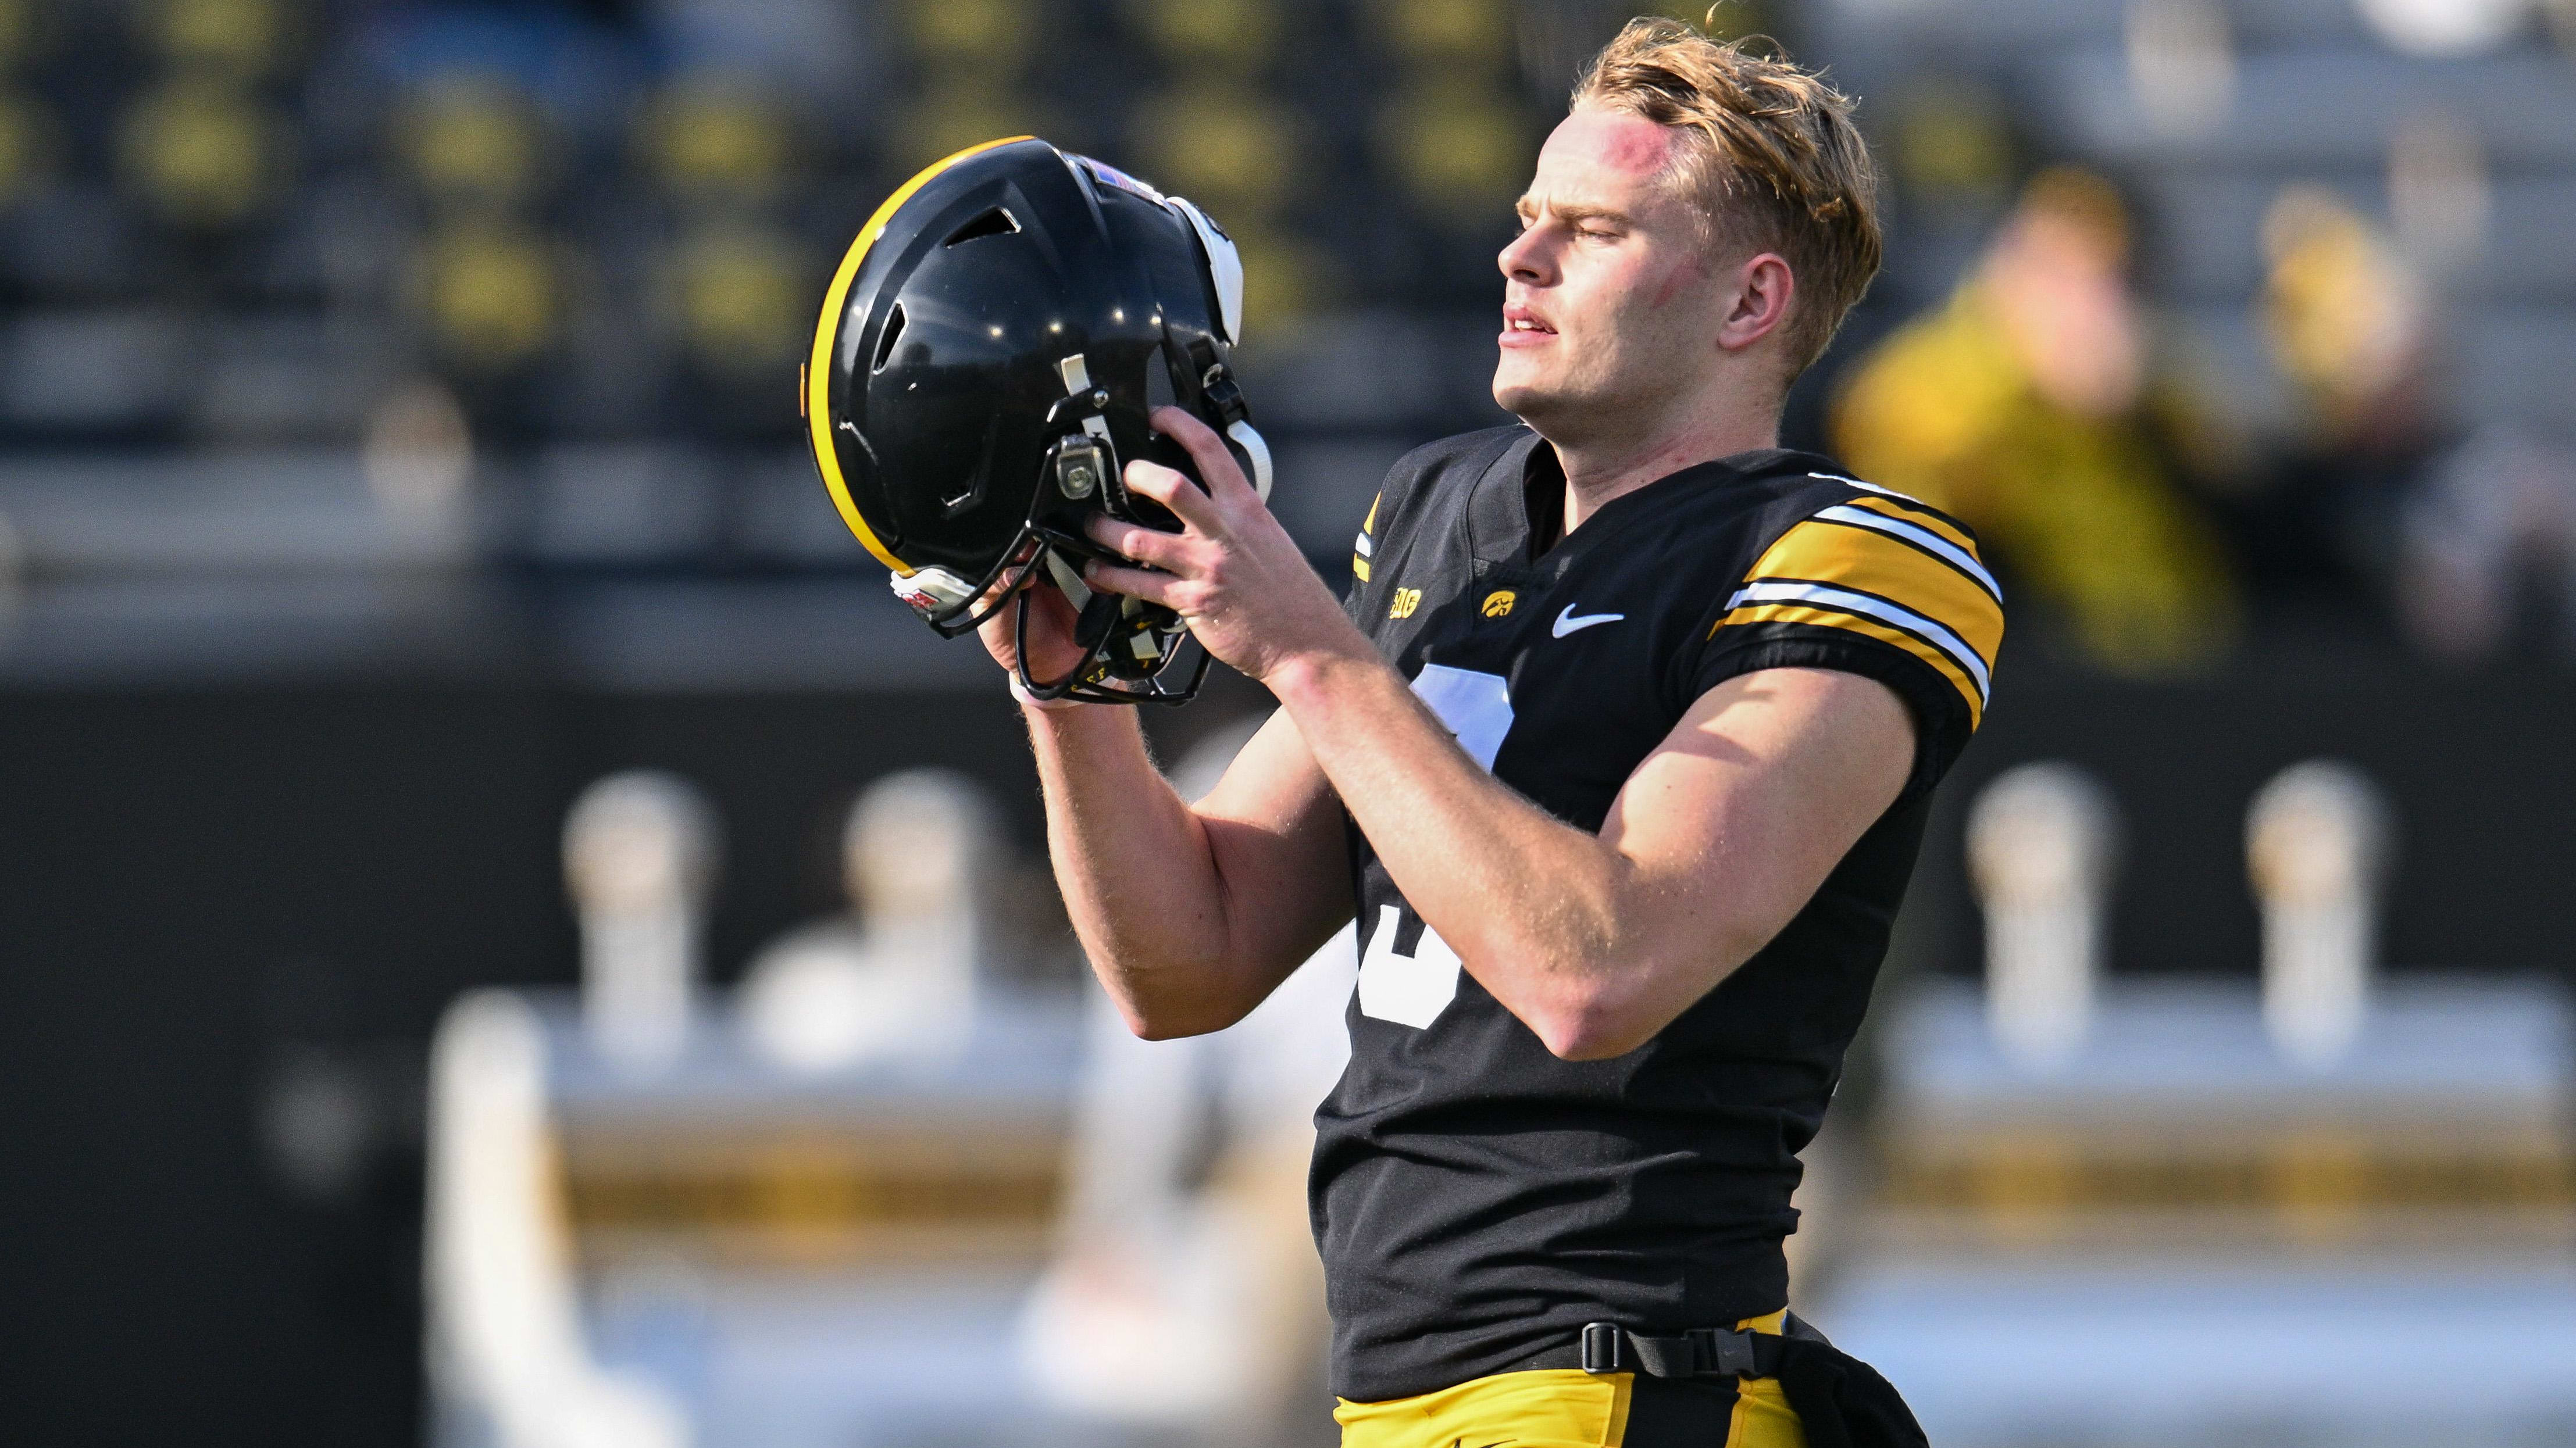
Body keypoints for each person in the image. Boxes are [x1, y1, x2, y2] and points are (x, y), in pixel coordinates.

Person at [983, 20, 2000, 1447]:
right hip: (1394, 1389)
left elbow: (1598, 970)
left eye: (1591, 231)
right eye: (1529, 219)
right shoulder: (1442, 513)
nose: (1520, 258)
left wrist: (1308, 652)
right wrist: (1066, 687)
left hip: (1610, 1384)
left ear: (1747, 301)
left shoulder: (1849, 558)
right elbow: (1186, 959)